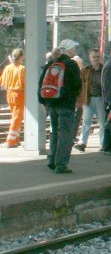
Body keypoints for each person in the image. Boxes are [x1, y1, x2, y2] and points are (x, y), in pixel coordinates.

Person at [37, 39, 82, 173]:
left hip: (52, 104)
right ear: (68, 49)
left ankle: (51, 160)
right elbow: (77, 84)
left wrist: (43, 101)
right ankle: (61, 165)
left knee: (54, 132)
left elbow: (41, 83)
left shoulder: (51, 63)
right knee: (65, 134)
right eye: (74, 48)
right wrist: (74, 96)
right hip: (66, 105)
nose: (75, 50)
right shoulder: (71, 64)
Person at [75, 48, 104, 152]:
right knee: (86, 122)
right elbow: (79, 84)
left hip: (101, 98)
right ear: (90, 58)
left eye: (97, 57)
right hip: (88, 98)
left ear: (100, 58)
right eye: (94, 57)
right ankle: (82, 143)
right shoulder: (85, 70)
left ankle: (102, 143)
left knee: (102, 123)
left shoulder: (104, 69)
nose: (96, 59)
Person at [0, 48, 25, 148]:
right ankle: (10, 141)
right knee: (17, 118)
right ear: (21, 57)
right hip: (19, 94)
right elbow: (25, 83)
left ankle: (15, 140)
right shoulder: (22, 69)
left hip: (9, 94)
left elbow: (2, 82)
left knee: (15, 117)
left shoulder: (7, 68)